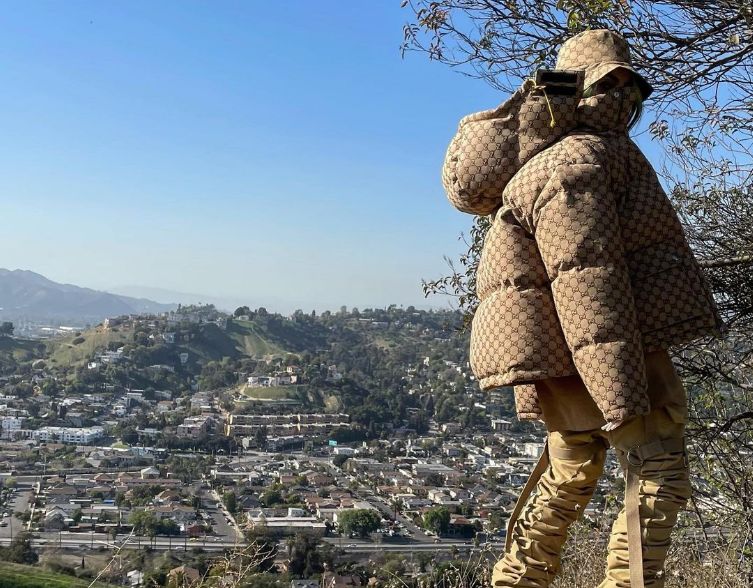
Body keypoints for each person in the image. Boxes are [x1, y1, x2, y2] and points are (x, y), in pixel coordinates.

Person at [442, 29, 722, 588]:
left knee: (568, 473)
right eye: (609, 83)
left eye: (630, 86)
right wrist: (619, 391)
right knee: (658, 472)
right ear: (579, 90)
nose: (623, 98)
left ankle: (518, 581)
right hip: (608, 352)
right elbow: (587, 279)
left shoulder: (556, 159)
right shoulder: (582, 162)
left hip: (572, 355)